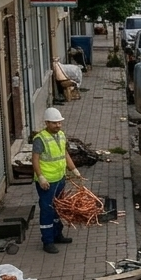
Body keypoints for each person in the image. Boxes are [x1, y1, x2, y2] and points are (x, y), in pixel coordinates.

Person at [31, 107, 82, 254]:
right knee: (47, 210)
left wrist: (73, 169)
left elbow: (64, 154)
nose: (58, 125)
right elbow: (35, 160)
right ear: (47, 123)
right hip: (47, 182)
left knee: (59, 208)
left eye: (59, 123)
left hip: (60, 179)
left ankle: (57, 234)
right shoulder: (40, 139)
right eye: (54, 123)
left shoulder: (61, 135)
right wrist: (40, 177)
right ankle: (47, 241)